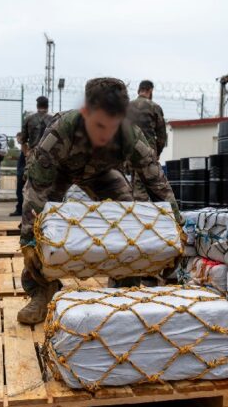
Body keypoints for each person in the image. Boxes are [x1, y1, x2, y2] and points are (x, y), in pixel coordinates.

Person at [16, 78, 182, 324]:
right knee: (44, 226)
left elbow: (157, 182)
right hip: (59, 171)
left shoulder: (130, 136)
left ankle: (125, 284)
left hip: (100, 173)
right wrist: (28, 238)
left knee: (128, 213)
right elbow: (36, 188)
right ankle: (42, 291)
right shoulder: (61, 131)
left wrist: (176, 229)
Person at [12, 96, 55, 216]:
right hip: (49, 156)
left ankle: (25, 213)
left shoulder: (29, 119)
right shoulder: (54, 119)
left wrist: (27, 155)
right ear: (47, 105)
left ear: (37, 106)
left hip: (33, 155)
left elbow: (23, 140)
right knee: (48, 186)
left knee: (28, 186)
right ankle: (47, 213)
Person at [125, 80, 167, 201]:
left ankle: (130, 214)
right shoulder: (154, 107)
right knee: (141, 191)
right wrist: (157, 152)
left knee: (131, 186)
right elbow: (162, 136)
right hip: (146, 152)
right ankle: (140, 216)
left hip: (129, 152)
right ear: (150, 91)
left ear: (139, 90)